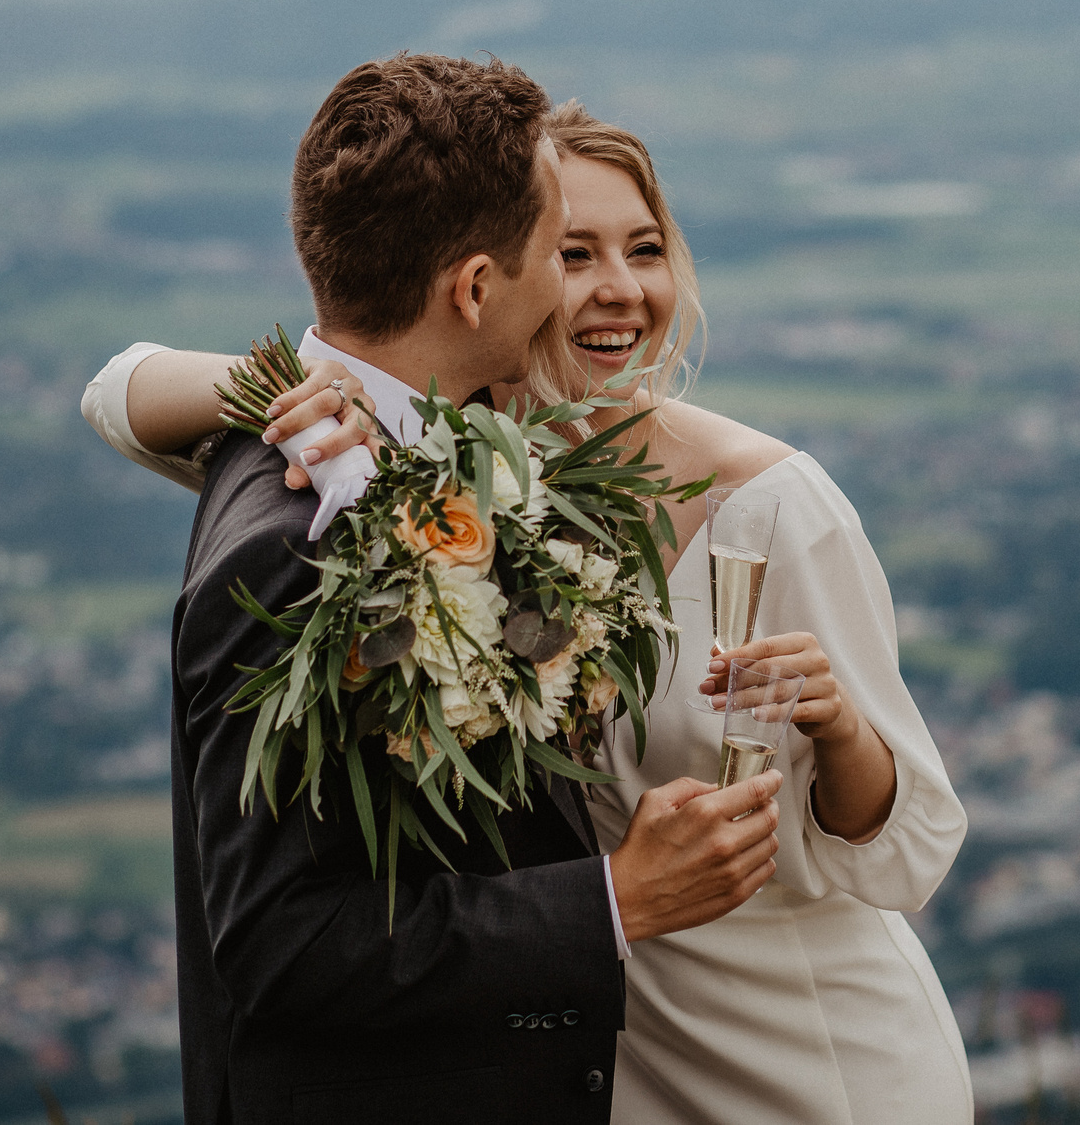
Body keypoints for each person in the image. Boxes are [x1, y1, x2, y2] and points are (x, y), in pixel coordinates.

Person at [84, 97, 974, 1125]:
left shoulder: (770, 507)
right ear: (486, 281)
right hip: (609, 1068)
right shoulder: (424, 469)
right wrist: (292, 382)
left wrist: (844, 731)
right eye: (571, 252)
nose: (617, 289)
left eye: (644, 249)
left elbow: (909, 853)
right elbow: (120, 394)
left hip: (804, 1058)